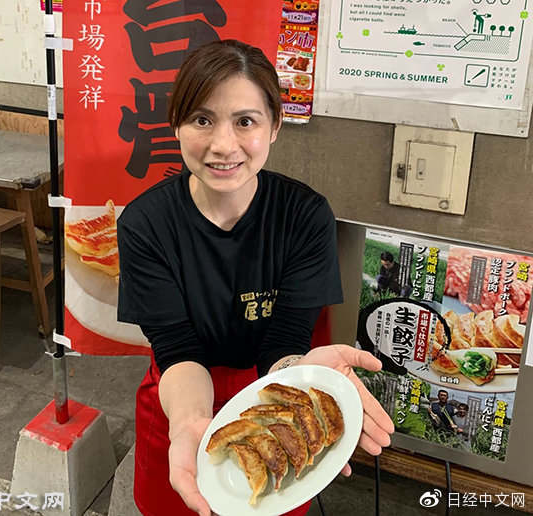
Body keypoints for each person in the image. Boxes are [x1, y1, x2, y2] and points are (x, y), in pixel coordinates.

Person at [117, 39, 394, 516]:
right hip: (182, 397)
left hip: (274, 401)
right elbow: (176, 348)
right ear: (176, 123)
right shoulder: (145, 224)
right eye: (202, 120)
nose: (223, 145)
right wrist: (190, 424)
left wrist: (301, 376)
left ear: (274, 126)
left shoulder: (304, 216)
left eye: (245, 121)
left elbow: (284, 342)